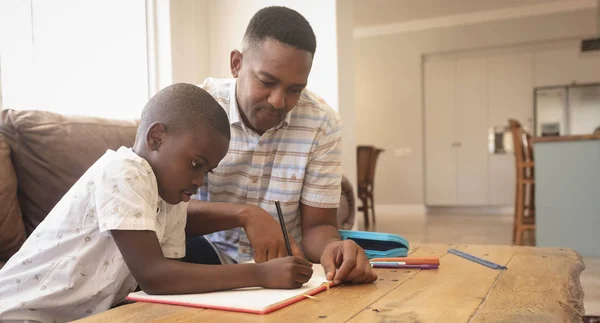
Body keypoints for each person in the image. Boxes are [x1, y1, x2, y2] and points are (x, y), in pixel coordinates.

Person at [0, 84, 313, 322]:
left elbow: (170, 276)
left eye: (207, 170)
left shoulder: (169, 195)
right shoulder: (124, 171)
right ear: (156, 137)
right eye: (196, 164)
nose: (200, 180)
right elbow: (156, 276)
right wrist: (258, 274)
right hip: (19, 312)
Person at [186, 6, 377, 285]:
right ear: (236, 64)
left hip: (285, 271)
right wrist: (246, 215)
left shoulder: (322, 124)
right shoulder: (195, 109)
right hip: (204, 260)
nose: (279, 101)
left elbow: (318, 226)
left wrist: (332, 248)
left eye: (295, 90)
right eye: (267, 81)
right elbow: (167, 214)